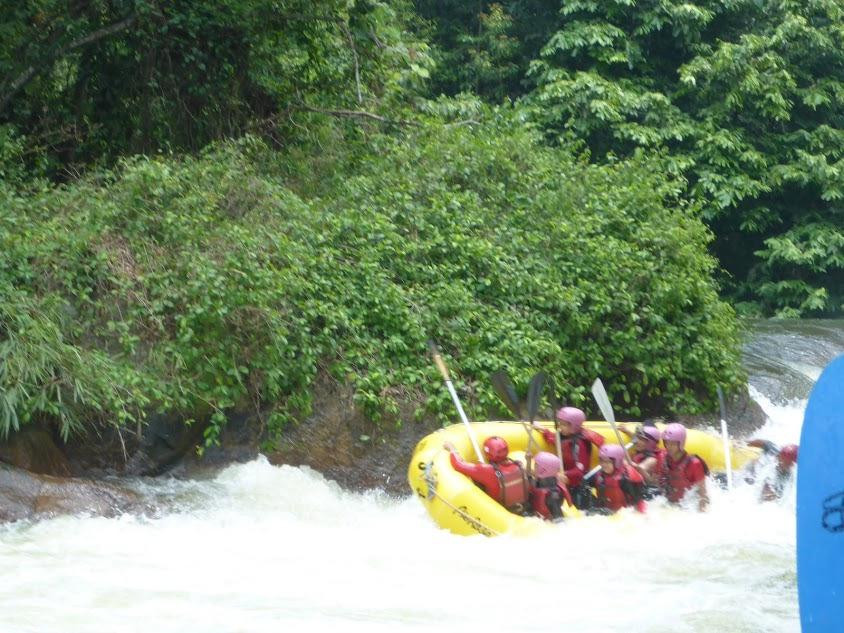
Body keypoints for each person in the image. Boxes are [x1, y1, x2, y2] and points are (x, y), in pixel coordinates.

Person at [534, 407, 604, 507]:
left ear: (574, 426)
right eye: (560, 423)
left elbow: (579, 472)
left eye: (564, 425)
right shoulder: (563, 436)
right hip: (566, 480)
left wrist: (565, 474)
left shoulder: (580, 444)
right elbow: (553, 438)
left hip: (578, 485)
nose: (560, 427)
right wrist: (542, 429)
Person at [443, 436, 529, 514]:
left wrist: (452, 449)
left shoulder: (486, 470)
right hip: (523, 507)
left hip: (499, 511)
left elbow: (459, 465)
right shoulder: (519, 465)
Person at [657, 422, 710, 510]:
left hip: (688, 506)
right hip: (670, 504)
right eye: (666, 443)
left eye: (673, 444)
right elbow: (660, 481)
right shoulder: (665, 459)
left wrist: (702, 512)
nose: (668, 446)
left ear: (681, 444)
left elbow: (703, 494)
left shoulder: (694, 463)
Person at [591, 444, 647, 514]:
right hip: (608, 512)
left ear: (617, 462)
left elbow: (639, 502)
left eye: (608, 462)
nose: (604, 465)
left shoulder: (626, 478)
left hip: (625, 513)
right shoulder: (599, 476)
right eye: (602, 461)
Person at [529, 451, 573, 522]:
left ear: (543, 470)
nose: (534, 467)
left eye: (536, 465)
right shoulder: (543, 480)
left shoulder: (552, 494)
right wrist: (528, 461)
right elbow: (529, 474)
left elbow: (559, 518)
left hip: (550, 518)